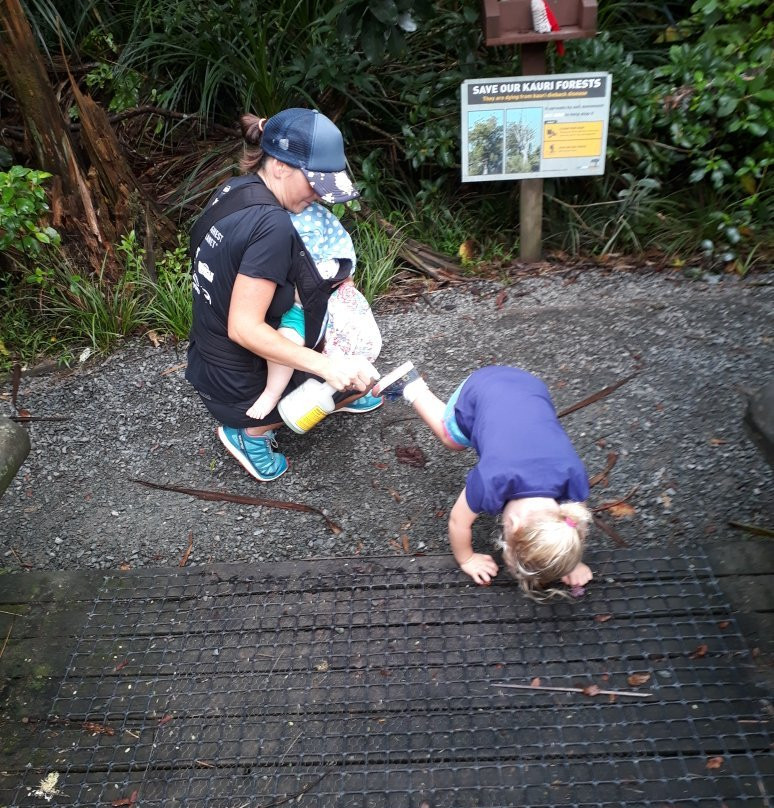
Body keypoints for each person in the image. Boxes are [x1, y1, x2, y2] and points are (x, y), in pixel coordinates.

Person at [185, 108, 380, 483]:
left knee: (333, 345)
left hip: (209, 362)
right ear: (279, 166)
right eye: (314, 182)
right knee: (352, 381)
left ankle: (319, 389)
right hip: (239, 385)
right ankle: (249, 434)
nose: (319, 196)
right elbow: (244, 328)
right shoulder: (274, 227)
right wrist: (326, 367)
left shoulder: (235, 189)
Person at [373, 363, 594, 597]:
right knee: (453, 439)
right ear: (511, 525)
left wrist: (569, 562)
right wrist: (466, 558)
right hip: (481, 389)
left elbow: (575, 529)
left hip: (529, 386)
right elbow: (459, 522)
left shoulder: (574, 479)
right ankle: (411, 386)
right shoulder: (492, 480)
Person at [246, 201, 382, 420]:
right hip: (301, 311)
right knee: (284, 342)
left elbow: (345, 263)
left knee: (355, 346)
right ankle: (273, 392)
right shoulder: (274, 223)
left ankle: (350, 392)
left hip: (337, 307)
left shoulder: (319, 220)